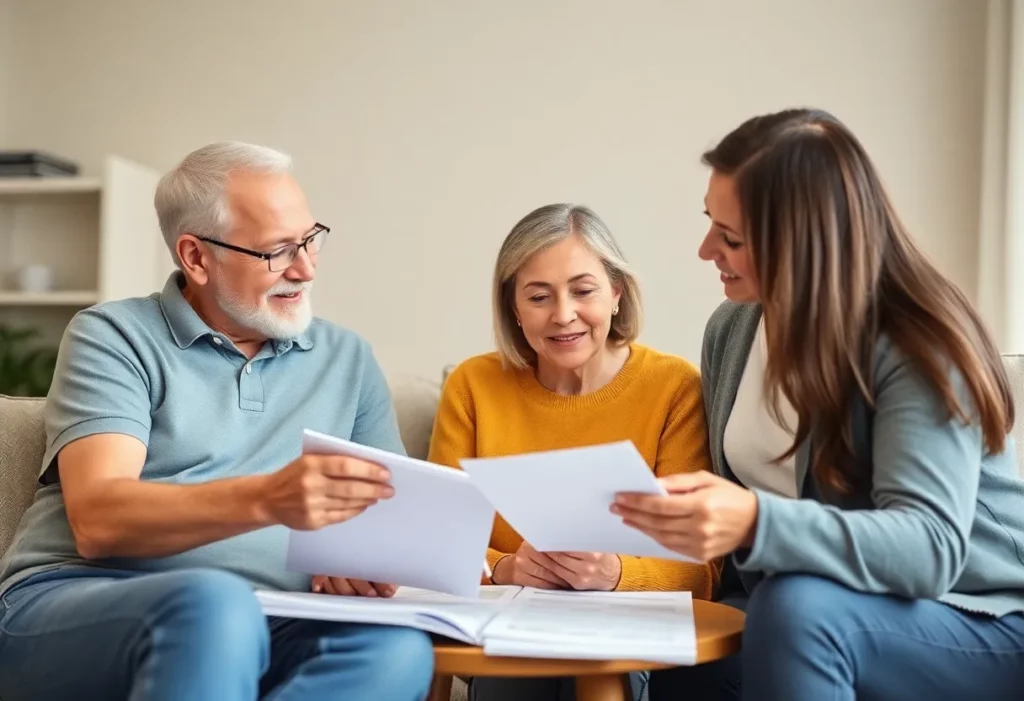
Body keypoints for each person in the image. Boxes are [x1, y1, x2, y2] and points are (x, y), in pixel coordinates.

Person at [611, 108, 1024, 700]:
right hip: (817, 605)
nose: (706, 250)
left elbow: (929, 548)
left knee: (794, 609)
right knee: (682, 649)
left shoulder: (917, 344)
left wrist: (752, 520)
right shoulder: (732, 329)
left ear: (801, 243)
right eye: (710, 223)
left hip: (976, 615)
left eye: (730, 238)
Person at [0, 142, 434, 701]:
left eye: (309, 239)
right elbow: (98, 520)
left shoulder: (347, 358)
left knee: (396, 650)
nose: (305, 268)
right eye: (277, 251)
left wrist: (360, 561)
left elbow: (384, 522)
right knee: (213, 608)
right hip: (77, 599)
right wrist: (268, 499)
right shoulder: (113, 337)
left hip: (274, 612)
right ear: (197, 257)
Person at [428, 203, 720, 701]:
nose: (563, 315)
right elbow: (434, 541)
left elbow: (700, 570)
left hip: (623, 635)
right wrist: (504, 568)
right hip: (508, 632)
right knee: (513, 681)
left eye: (583, 291)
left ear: (616, 293)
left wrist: (615, 573)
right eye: (538, 297)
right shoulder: (473, 386)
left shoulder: (673, 387)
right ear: (514, 309)